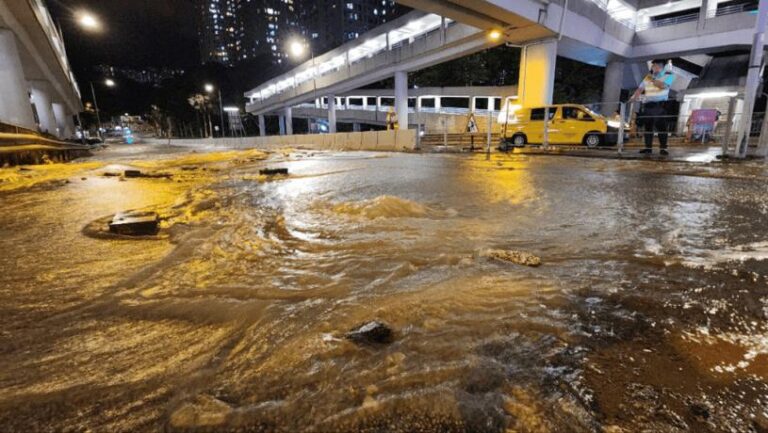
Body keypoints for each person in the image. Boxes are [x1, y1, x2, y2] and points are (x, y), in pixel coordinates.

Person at [631, 59, 676, 156]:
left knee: (661, 128)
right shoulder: (648, 76)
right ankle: (648, 148)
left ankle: (663, 149)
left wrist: (653, 79)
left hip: (660, 106)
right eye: (653, 66)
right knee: (648, 129)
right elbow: (640, 88)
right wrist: (634, 97)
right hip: (648, 106)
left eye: (655, 65)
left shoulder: (669, 75)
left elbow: (663, 86)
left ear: (661, 66)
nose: (652, 67)